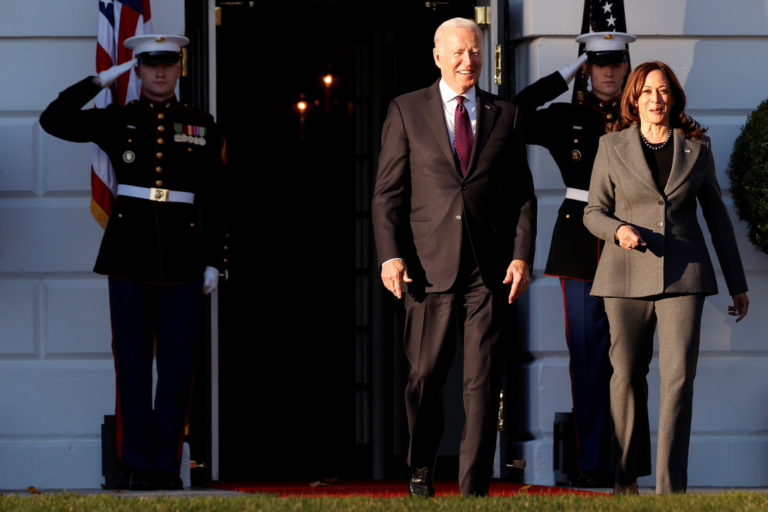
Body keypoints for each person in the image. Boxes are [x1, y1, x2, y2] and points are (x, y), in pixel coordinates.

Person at [39, 34, 226, 490]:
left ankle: (167, 465)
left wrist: (213, 260)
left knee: (179, 367)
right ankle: (139, 463)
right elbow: (54, 120)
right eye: (149, 66)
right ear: (138, 71)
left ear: (179, 69)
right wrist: (100, 79)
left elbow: (217, 197)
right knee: (133, 364)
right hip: (129, 255)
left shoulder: (201, 124)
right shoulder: (117, 119)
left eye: (168, 65)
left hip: (183, 256)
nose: (160, 73)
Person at [372, 17, 536, 497]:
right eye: (460, 53)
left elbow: (523, 196)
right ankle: (421, 465)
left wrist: (521, 256)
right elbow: (387, 195)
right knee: (424, 376)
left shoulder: (504, 114)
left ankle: (474, 490)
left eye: (477, 52)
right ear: (438, 56)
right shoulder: (406, 110)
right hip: (427, 269)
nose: (470, 61)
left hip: (488, 272)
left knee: (481, 385)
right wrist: (390, 256)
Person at [583, 61, 749, 495]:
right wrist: (617, 230)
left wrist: (737, 283)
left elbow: (718, 221)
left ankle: (670, 489)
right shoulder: (610, 146)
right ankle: (626, 478)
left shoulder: (697, 148)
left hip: (684, 278)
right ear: (633, 100)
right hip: (623, 278)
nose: (655, 100)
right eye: (646, 92)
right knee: (627, 375)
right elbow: (593, 212)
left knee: (678, 380)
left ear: (673, 98)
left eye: (663, 92)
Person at [513, 31, 635, 487]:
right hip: (580, 243)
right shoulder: (566, 116)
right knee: (587, 358)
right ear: (587, 68)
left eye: (614, 63)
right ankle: (594, 464)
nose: (607, 72)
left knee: (629, 359)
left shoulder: (643, 112)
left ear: (626, 66)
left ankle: (627, 462)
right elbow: (511, 115)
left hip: (631, 243)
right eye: (597, 64)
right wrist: (562, 76)